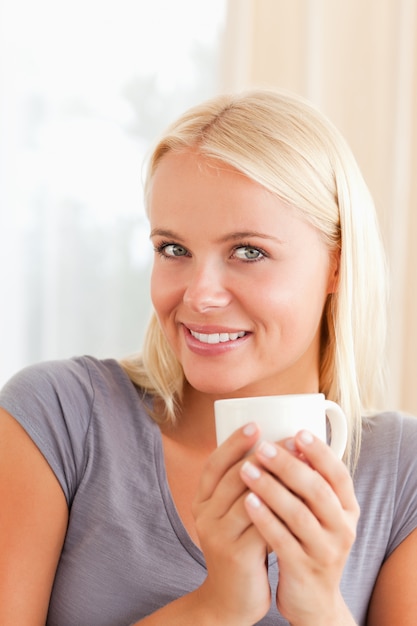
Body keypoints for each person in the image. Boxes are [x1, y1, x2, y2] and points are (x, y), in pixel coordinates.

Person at [1, 89, 417, 626]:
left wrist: (318, 605)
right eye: (173, 249)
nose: (200, 295)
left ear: (337, 264)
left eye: (249, 252)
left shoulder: (402, 474)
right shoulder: (56, 420)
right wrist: (216, 606)